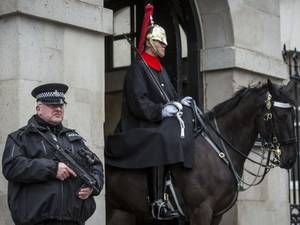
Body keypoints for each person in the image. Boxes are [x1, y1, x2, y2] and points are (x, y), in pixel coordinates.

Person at [105, 23, 194, 220]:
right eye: (161, 43)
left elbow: (170, 95)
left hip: (156, 122)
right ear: (150, 43)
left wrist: (179, 102)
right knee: (159, 139)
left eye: (164, 43)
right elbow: (138, 102)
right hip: (139, 123)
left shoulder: (160, 69)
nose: (164, 46)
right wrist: (161, 111)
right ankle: (157, 201)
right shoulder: (137, 69)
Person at [2, 83, 104, 225]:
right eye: (52, 105)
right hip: (38, 220)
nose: (57, 109)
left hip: (73, 220)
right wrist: (52, 168)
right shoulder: (20, 137)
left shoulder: (73, 138)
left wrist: (93, 187)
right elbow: (11, 167)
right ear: (39, 109)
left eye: (61, 106)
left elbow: (96, 165)